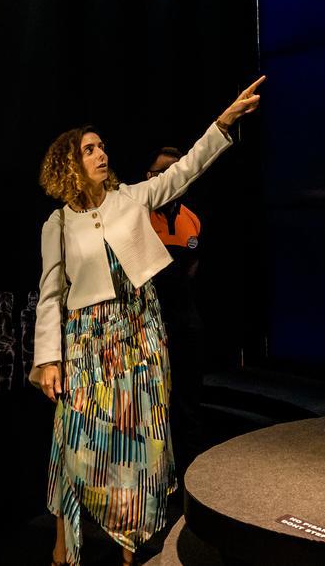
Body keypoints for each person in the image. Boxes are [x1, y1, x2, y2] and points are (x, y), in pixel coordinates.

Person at [33, 77, 265, 566]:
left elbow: (183, 173)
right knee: (73, 441)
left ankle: (128, 545)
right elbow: (50, 295)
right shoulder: (57, 224)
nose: (101, 154)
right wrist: (47, 359)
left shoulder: (130, 199)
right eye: (89, 149)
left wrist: (222, 124)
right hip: (88, 344)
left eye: (102, 147)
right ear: (69, 163)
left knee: (137, 446)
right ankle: (63, 542)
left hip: (139, 336)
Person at [145, 147, 207, 483]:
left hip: (186, 321)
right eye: (161, 171)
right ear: (149, 177)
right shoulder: (139, 218)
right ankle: (156, 479)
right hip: (151, 324)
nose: (170, 177)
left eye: (176, 170)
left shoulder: (192, 219)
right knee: (155, 405)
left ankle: (190, 479)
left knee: (188, 401)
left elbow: (192, 269)